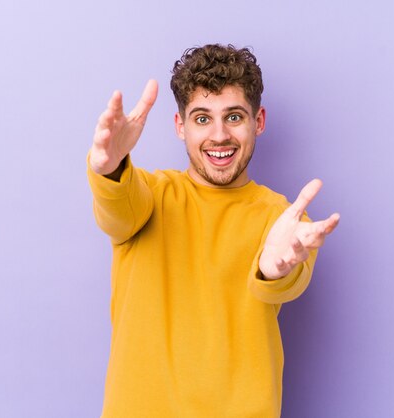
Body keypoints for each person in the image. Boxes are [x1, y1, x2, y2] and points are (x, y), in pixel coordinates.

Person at [87, 44, 340, 417]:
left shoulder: (285, 220)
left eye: (234, 117)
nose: (219, 135)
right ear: (180, 126)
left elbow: (287, 279)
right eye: (202, 119)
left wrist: (273, 270)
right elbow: (116, 211)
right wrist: (109, 170)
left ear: (259, 121)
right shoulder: (147, 196)